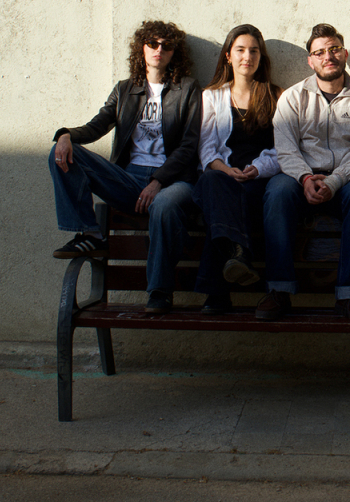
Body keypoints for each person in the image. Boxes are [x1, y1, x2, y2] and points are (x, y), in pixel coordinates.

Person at [49, 20, 201, 313]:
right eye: (152, 43)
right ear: (141, 48)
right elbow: (96, 126)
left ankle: (159, 292)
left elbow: (189, 144)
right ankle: (89, 234)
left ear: (175, 53)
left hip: (174, 182)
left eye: (167, 45)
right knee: (61, 151)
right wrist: (65, 135)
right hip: (130, 181)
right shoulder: (124, 90)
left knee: (164, 205)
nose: (159, 50)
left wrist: (158, 181)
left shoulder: (188, 89)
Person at [260, 23, 350, 321]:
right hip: (300, 178)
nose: (328, 56)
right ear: (310, 60)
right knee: (276, 191)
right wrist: (304, 178)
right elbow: (285, 148)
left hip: (346, 180)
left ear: (345, 54)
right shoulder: (293, 98)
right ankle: (279, 290)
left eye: (334, 49)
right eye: (319, 52)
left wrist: (335, 181)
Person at [191, 24, 282, 314]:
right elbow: (206, 147)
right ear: (228, 56)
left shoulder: (276, 96)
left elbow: (283, 148)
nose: (247, 56)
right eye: (240, 50)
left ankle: (217, 291)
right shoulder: (211, 96)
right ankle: (238, 254)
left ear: (261, 57)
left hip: (257, 181)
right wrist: (225, 169)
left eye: (254, 51)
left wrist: (257, 168)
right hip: (223, 178)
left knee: (225, 204)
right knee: (212, 182)